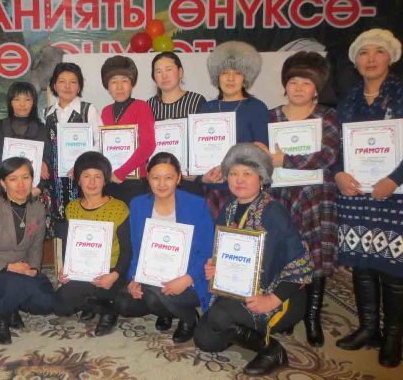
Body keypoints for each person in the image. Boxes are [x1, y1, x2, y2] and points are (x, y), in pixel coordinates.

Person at [194, 143, 313, 376]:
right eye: (233, 173)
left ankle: (272, 351)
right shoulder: (228, 208)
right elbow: (223, 252)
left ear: (262, 178)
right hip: (239, 290)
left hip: (279, 295)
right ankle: (242, 327)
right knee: (205, 340)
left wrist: (271, 299)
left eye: (247, 173)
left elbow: (302, 264)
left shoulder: (273, 211)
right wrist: (215, 268)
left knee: (219, 316)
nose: (239, 179)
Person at [334, 28, 403, 368]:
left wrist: (395, 179)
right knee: (361, 264)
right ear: (355, 61)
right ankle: (367, 328)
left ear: (391, 57)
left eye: (378, 51)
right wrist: (338, 173)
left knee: (393, 268)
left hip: (395, 196)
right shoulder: (348, 100)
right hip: (355, 193)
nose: (371, 58)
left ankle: (393, 336)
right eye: (364, 53)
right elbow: (336, 146)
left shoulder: (401, 93)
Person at [264, 51, 340, 348]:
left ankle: (312, 316)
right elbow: (263, 157)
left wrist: (286, 160)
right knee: (286, 254)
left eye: (306, 83)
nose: (298, 87)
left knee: (315, 256)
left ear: (316, 88)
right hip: (281, 195)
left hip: (315, 196)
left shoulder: (327, 116)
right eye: (293, 81)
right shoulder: (272, 116)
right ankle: (291, 310)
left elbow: (328, 155)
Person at [115, 152, 214, 343]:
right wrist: (135, 278)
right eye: (156, 178)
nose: (162, 184)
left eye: (168, 177)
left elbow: (207, 251)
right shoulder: (138, 205)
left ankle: (189, 317)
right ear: (148, 177)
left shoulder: (196, 205)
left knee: (153, 296)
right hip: (152, 276)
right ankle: (166, 311)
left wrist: (187, 279)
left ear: (178, 178)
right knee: (123, 303)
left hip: (188, 279)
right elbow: (137, 248)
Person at [0, 157, 63, 344]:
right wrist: (8, 266)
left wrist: (33, 269)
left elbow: (36, 247)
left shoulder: (37, 208)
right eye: (13, 179)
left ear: (32, 180)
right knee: (12, 284)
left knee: (47, 303)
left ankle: (11, 305)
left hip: (21, 271)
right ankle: (1, 316)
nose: (20, 185)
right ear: (3, 183)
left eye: (25, 177)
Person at [56, 151, 131, 336]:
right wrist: (66, 269)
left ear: (105, 180)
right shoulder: (72, 208)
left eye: (98, 176)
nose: (92, 182)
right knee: (60, 305)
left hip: (111, 270)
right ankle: (100, 306)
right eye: (86, 176)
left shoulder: (118, 208)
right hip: (83, 269)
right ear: (78, 179)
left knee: (114, 293)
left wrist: (114, 274)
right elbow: (68, 244)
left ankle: (103, 309)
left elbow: (127, 249)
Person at [199, 41, 270, 218]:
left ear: (246, 77)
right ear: (217, 76)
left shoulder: (256, 107)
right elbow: (197, 153)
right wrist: (203, 177)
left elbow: (263, 152)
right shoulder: (206, 108)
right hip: (212, 188)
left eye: (237, 73)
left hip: (244, 191)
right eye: (225, 73)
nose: (230, 78)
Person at [45, 62, 102, 240]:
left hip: (83, 179)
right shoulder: (47, 113)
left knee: (86, 228)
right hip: (56, 181)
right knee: (63, 228)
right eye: (62, 81)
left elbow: (100, 141)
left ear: (79, 86)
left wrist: (82, 166)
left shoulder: (88, 109)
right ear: (55, 85)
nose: (67, 86)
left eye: (73, 82)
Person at [147, 51, 206, 195]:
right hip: (158, 182)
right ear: (154, 77)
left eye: (169, 69)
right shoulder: (148, 106)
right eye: (158, 71)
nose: (164, 76)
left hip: (188, 180)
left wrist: (195, 170)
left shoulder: (196, 101)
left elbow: (204, 142)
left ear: (180, 72)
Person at [100, 55, 156, 204]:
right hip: (110, 180)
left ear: (132, 84)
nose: (119, 87)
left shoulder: (141, 107)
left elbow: (148, 145)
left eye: (124, 80)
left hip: (135, 182)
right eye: (113, 81)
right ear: (107, 86)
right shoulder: (105, 111)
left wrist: (121, 172)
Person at [0, 81, 51, 198]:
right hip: (3, 192)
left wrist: (39, 188)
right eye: (17, 99)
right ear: (10, 102)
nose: (22, 104)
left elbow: (49, 162)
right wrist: (1, 185)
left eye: (27, 100)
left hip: (34, 193)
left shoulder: (42, 129)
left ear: (34, 102)